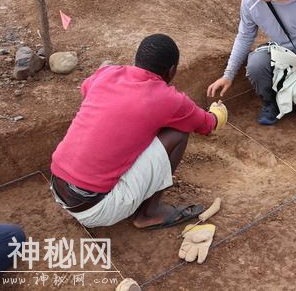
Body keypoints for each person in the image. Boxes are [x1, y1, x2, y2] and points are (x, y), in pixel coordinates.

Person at [50, 34, 228, 229]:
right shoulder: (168, 99)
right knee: (177, 133)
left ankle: (120, 193)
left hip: (59, 188)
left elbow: (86, 90)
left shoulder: (107, 73)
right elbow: (208, 125)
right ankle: (147, 214)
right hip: (94, 209)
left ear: (138, 60)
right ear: (172, 71)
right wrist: (218, 113)